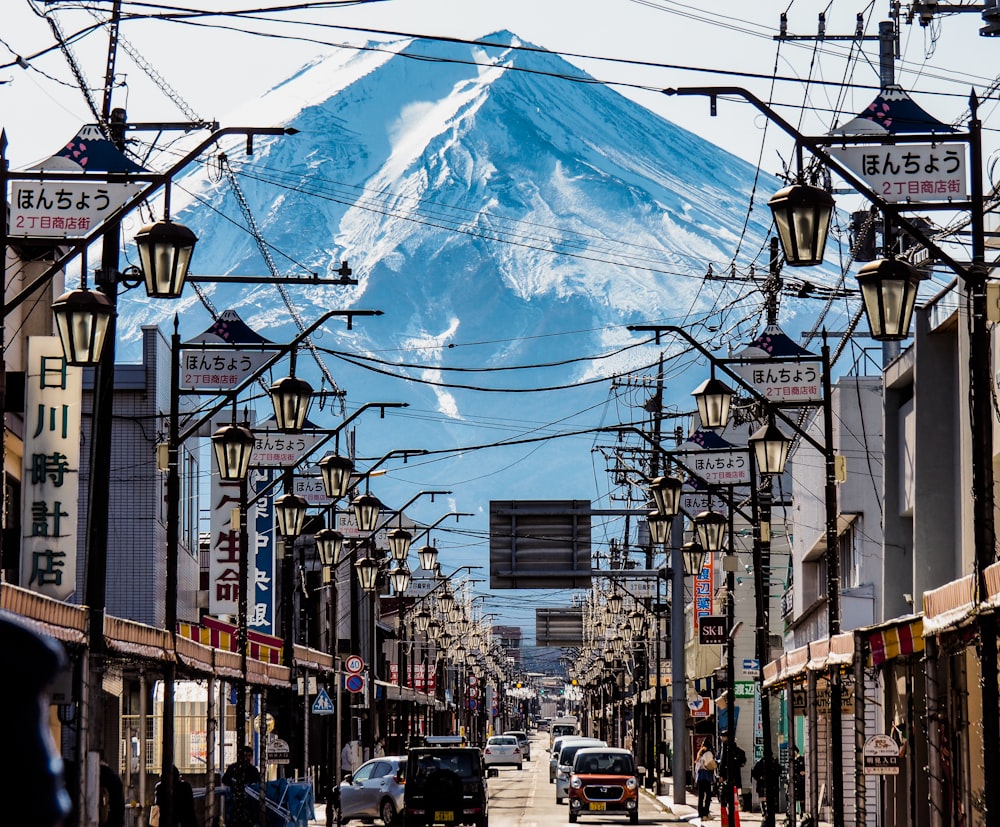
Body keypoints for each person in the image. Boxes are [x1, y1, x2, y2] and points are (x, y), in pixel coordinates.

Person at [222, 745, 261, 827]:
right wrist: (234, 783)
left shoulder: (253, 770)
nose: (246, 758)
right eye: (245, 755)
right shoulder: (233, 768)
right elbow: (225, 779)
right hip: (234, 798)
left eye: (249, 756)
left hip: (249, 800)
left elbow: (258, 782)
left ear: (251, 757)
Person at [717, 730, 746, 809]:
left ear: (726, 737)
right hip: (736, 773)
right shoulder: (735, 747)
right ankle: (738, 804)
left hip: (727, 774)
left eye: (722, 737)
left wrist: (721, 774)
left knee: (727, 790)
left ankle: (729, 806)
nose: (721, 738)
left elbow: (723, 761)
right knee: (736, 789)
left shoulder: (725, 747)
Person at [694, 738, 717, 819]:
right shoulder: (708, 753)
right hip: (706, 775)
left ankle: (700, 813)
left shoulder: (700, 754)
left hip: (700, 776)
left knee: (700, 796)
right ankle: (706, 813)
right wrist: (715, 765)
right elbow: (710, 765)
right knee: (708, 795)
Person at [751, 753, 779, 818]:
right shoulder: (760, 763)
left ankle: (767, 812)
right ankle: (764, 812)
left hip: (771, 783)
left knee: (769, 797)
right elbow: (754, 773)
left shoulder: (773, 762)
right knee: (763, 798)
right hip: (762, 783)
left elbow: (778, 770)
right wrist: (759, 777)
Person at [793, 746, 806, 814]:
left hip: (800, 781)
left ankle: (802, 811)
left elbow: (804, 769)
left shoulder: (801, 759)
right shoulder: (792, 760)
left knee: (801, 797)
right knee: (792, 796)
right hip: (793, 781)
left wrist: (803, 772)